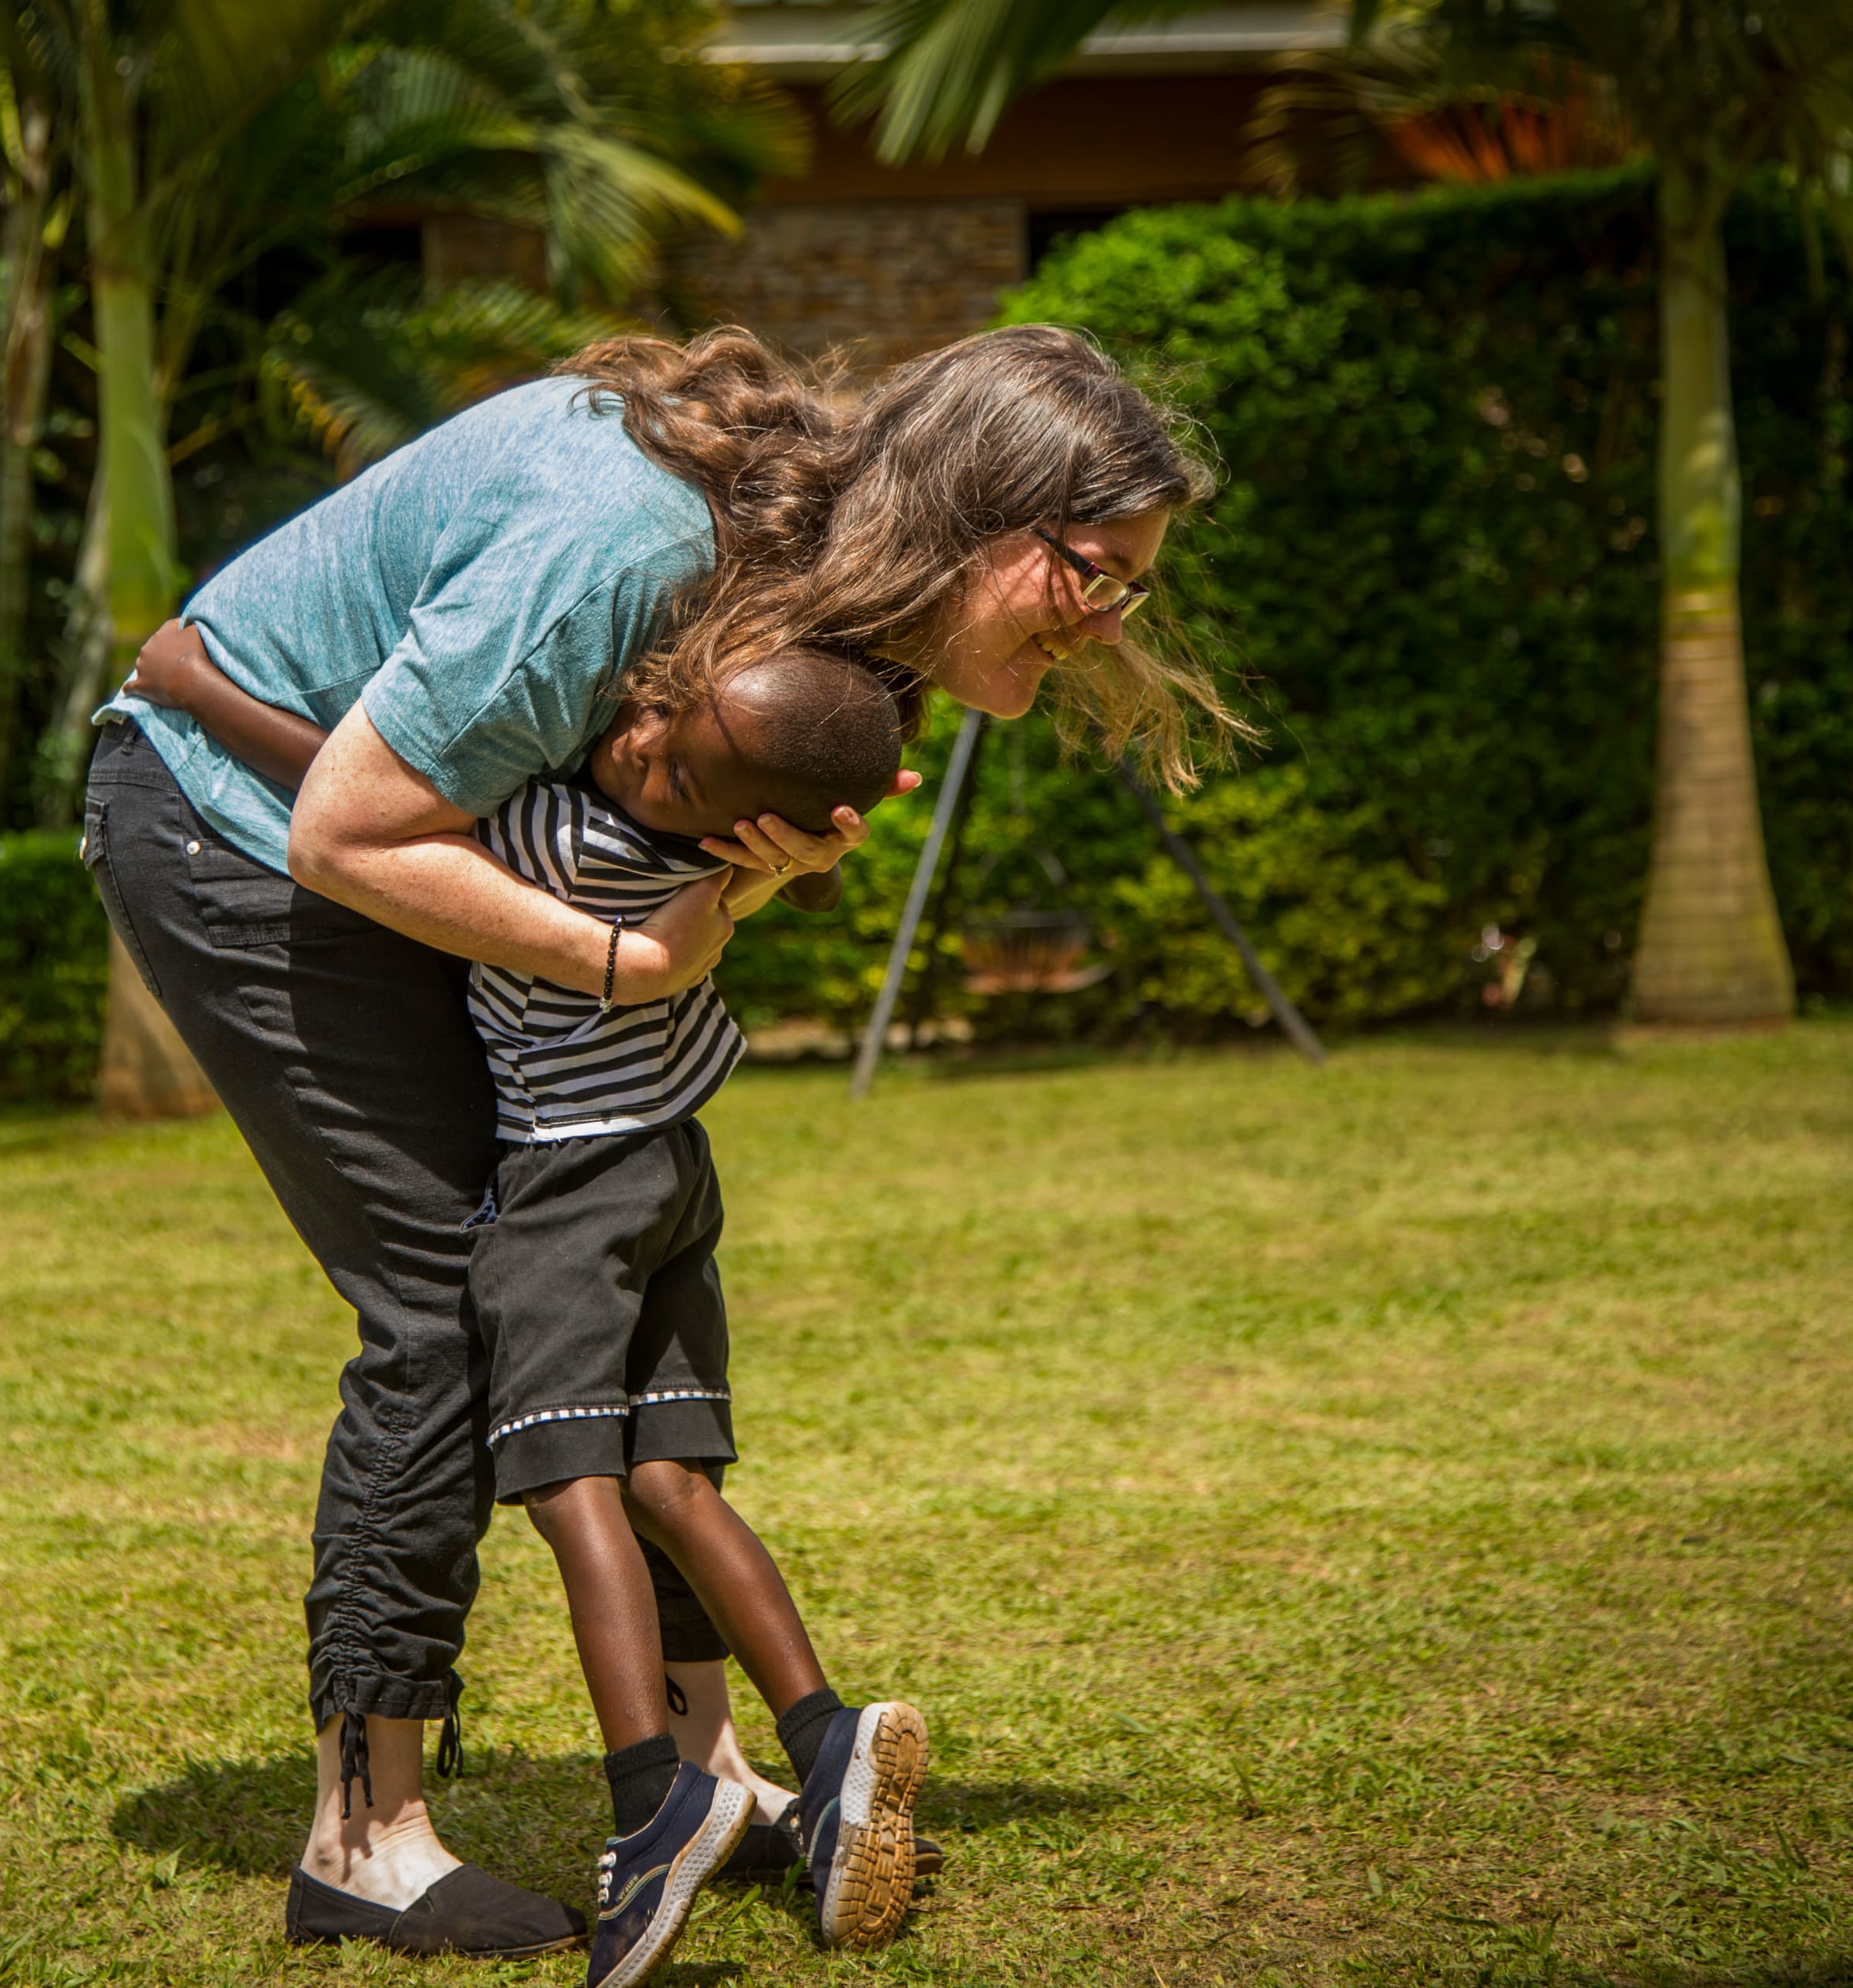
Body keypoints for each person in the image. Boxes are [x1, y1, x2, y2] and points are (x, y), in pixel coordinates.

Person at [79, 324, 1230, 1960]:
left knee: (592, 1274)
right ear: (983, 515)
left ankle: (702, 1771)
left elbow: (600, 845)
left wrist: (727, 882)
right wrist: (631, 957)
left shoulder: (820, 627)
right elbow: (352, 822)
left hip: (390, 825)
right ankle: (362, 1832)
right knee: (442, 1296)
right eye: (1096, 569)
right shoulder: (626, 546)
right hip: (234, 824)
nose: (1112, 617)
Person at [125, 633, 930, 1981]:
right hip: (677, 1165)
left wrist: (197, 690)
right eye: (656, 717)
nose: (638, 747)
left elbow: (348, 793)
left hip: (568, 1188)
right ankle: (826, 1736)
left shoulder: (556, 832)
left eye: (676, 765)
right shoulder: (738, 858)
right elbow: (763, 801)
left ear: (746, 813)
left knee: (575, 1491)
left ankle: (650, 1805)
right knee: (674, 1481)